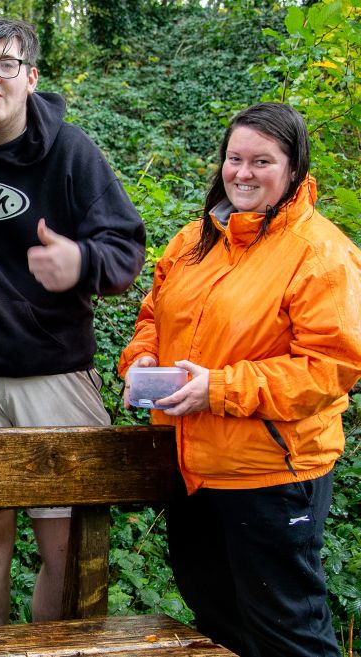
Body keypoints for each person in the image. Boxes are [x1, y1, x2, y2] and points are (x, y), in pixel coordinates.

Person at [0, 17, 146, 627]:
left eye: (8, 65)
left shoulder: (72, 152)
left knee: (67, 548)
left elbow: (126, 251)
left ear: (31, 78)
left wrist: (83, 261)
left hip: (55, 369)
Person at [119, 102, 361, 657]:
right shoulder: (195, 240)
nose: (243, 173)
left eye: (262, 161)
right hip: (193, 471)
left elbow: (331, 367)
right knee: (217, 617)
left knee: (287, 632)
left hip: (270, 473)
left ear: (294, 169)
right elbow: (154, 317)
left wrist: (220, 388)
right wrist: (140, 361)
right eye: (234, 159)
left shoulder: (322, 255)